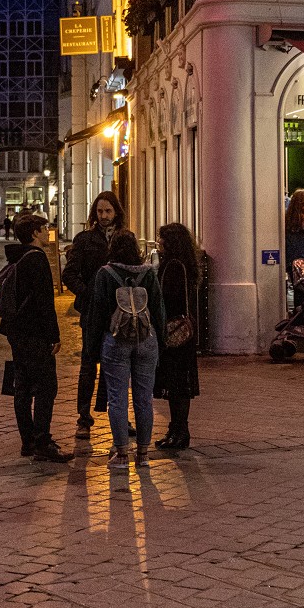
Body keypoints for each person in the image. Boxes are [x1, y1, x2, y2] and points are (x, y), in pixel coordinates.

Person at [85, 230, 165, 472]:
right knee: (144, 399)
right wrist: (160, 340)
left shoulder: (105, 274)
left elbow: (96, 314)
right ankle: (143, 455)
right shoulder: (149, 274)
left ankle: (121, 454)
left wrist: (91, 349)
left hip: (116, 340)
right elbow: (159, 309)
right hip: (146, 339)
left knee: (117, 399)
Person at [0, 211, 72, 462]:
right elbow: (44, 302)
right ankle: (43, 440)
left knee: (22, 386)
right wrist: (54, 335)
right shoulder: (37, 259)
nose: (47, 231)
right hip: (34, 333)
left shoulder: (16, 257)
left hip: (15, 330)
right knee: (46, 387)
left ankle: (27, 440)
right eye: (43, 228)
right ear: (34, 233)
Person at [61, 191, 125, 438]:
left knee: (118, 365)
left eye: (108, 211)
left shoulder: (124, 238)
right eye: (99, 211)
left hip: (119, 313)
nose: (104, 216)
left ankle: (117, 417)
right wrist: (88, 295)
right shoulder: (85, 239)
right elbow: (70, 274)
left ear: (116, 212)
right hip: (92, 313)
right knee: (89, 364)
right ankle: (84, 417)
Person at [154, 222, 201, 451]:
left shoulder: (174, 265)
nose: (158, 242)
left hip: (176, 333)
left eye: (162, 238)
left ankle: (180, 431)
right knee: (177, 384)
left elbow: (173, 299)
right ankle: (176, 429)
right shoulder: (181, 264)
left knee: (178, 384)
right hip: (181, 333)